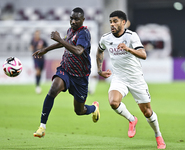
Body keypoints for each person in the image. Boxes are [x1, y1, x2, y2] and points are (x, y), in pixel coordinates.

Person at [96, 10, 166, 149]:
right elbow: (99, 50)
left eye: (115, 21)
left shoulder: (131, 36)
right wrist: (99, 70)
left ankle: (158, 135)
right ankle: (132, 120)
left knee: (147, 112)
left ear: (123, 22)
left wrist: (128, 49)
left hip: (135, 78)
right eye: (110, 22)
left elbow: (143, 54)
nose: (112, 24)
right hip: (118, 77)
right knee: (113, 102)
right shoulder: (105, 38)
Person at [33, 7, 100, 138]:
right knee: (53, 90)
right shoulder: (70, 31)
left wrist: (60, 40)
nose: (73, 21)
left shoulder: (84, 33)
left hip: (80, 77)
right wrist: (46, 49)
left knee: (79, 111)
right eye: (71, 18)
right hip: (66, 70)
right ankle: (42, 126)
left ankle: (94, 108)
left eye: (76, 19)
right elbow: (63, 43)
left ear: (83, 20)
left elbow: (78, 50)